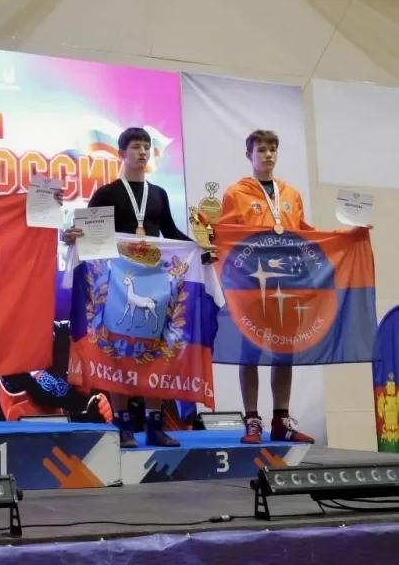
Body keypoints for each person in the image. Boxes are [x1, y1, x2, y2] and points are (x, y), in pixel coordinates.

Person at [63, 127, 191, 447]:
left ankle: (155, 425)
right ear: (121, 154)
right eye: (136, 147)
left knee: (155, 350)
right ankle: (123, 426)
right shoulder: (106, 193)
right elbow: (85, 230)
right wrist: (72, 236)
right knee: (118, 351)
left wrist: (199, 247)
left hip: (155, 281)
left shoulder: (158, 194)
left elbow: (171, 231)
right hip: (117, 283)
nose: (143, 152)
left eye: (147, 147)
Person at [216, 129, 316, 444]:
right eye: (261, 149)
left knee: (284, 351)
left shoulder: (291, 194)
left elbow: (306, 233)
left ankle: (281, 419)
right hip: (251, 286)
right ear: (249, 155)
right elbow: (226, 237)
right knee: (250, 351)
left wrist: (348, 235)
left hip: (287, 285)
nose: (268, 155)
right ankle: (252, 420)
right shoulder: (236, 193)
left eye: (273, 149)